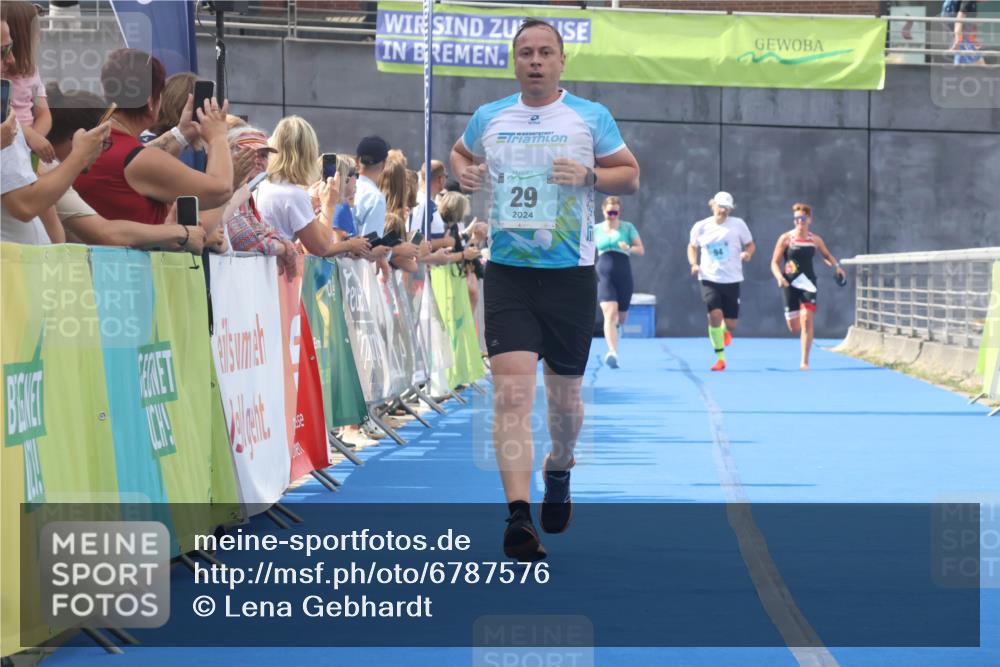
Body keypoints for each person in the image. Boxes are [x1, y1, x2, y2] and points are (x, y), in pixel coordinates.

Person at [450, 18, 640, 561]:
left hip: (570, 275)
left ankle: (559, 465)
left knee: (564, 405)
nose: (535, 61)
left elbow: (630, 173)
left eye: (545, 53)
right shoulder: (491, 116)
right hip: (508, 271)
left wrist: (588, 177)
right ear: (514, 62)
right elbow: (461, 154)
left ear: (561, 62)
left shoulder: (589, 117)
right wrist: (466, 172)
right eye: (526, 53)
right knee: (510, 394)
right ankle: (518, 517)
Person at [73, 49, 234, 227]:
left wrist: (183, 132)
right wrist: (218, 137)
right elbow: (220, 190)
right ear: (151, 102)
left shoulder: (89, 142)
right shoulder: (138, 159)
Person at [43, 86, 208, 251]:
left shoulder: (51, 171)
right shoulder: (50, 174)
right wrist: (179, 232)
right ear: (78, 138)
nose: (103, 150)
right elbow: (105, 233)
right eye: (104, 142)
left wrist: (169, 233)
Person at [254, 115, 369, 258]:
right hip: (275, 273)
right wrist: (329, 204)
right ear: (308, 153)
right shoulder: (294, 195)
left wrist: (311, 204)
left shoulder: (259, 185)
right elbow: (320, 247)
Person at [769, 202, 846, 371]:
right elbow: (774, 262)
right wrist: (779, 277)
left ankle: (804, 361)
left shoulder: (815, 239)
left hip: (808, 283)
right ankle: (793, 321)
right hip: (789, 284)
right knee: (794, 327)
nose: (799, 222)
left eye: (803, 218)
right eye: (796, 219)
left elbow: (827, 255)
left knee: (807, 319)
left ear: (809, 219)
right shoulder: (786, 238)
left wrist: (836, 267)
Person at [687, 191, 755, 372]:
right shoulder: (700, 226)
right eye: (720, 207)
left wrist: (747, 253)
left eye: (727, 208)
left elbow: (750, 244)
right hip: (709, 278)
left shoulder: (738, 225)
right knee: (714, 314)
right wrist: (694, 263)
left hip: (732, 279)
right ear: (713, 205)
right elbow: (692, 246)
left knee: (731, 324)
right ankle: (720, 358)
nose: (723, 211)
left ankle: (725, 331)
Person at [594, 196, 644, 369]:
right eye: (610, 212)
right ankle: (612, 352)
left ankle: (616, 331)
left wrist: (628, 247)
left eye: (616, 212)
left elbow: (640, 249)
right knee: (610, 313)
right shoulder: (596, 229)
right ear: (603, 211)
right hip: (603, 273)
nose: (612, 215)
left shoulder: (627, 227)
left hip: (623, 272)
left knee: (621, 317)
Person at [0, 2, 53, 163]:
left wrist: (32, 142)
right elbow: (5, 118)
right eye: (36, 29)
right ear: (23, 35)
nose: (40, 34)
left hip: (27, 150)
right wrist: (28, 138)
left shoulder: (30, 71)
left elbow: (43, 114)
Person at [353, 135, 391, 237]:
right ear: (384, 163)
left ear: (357, 160)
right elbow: (371, 246)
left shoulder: (342, 187)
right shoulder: (375, 197)